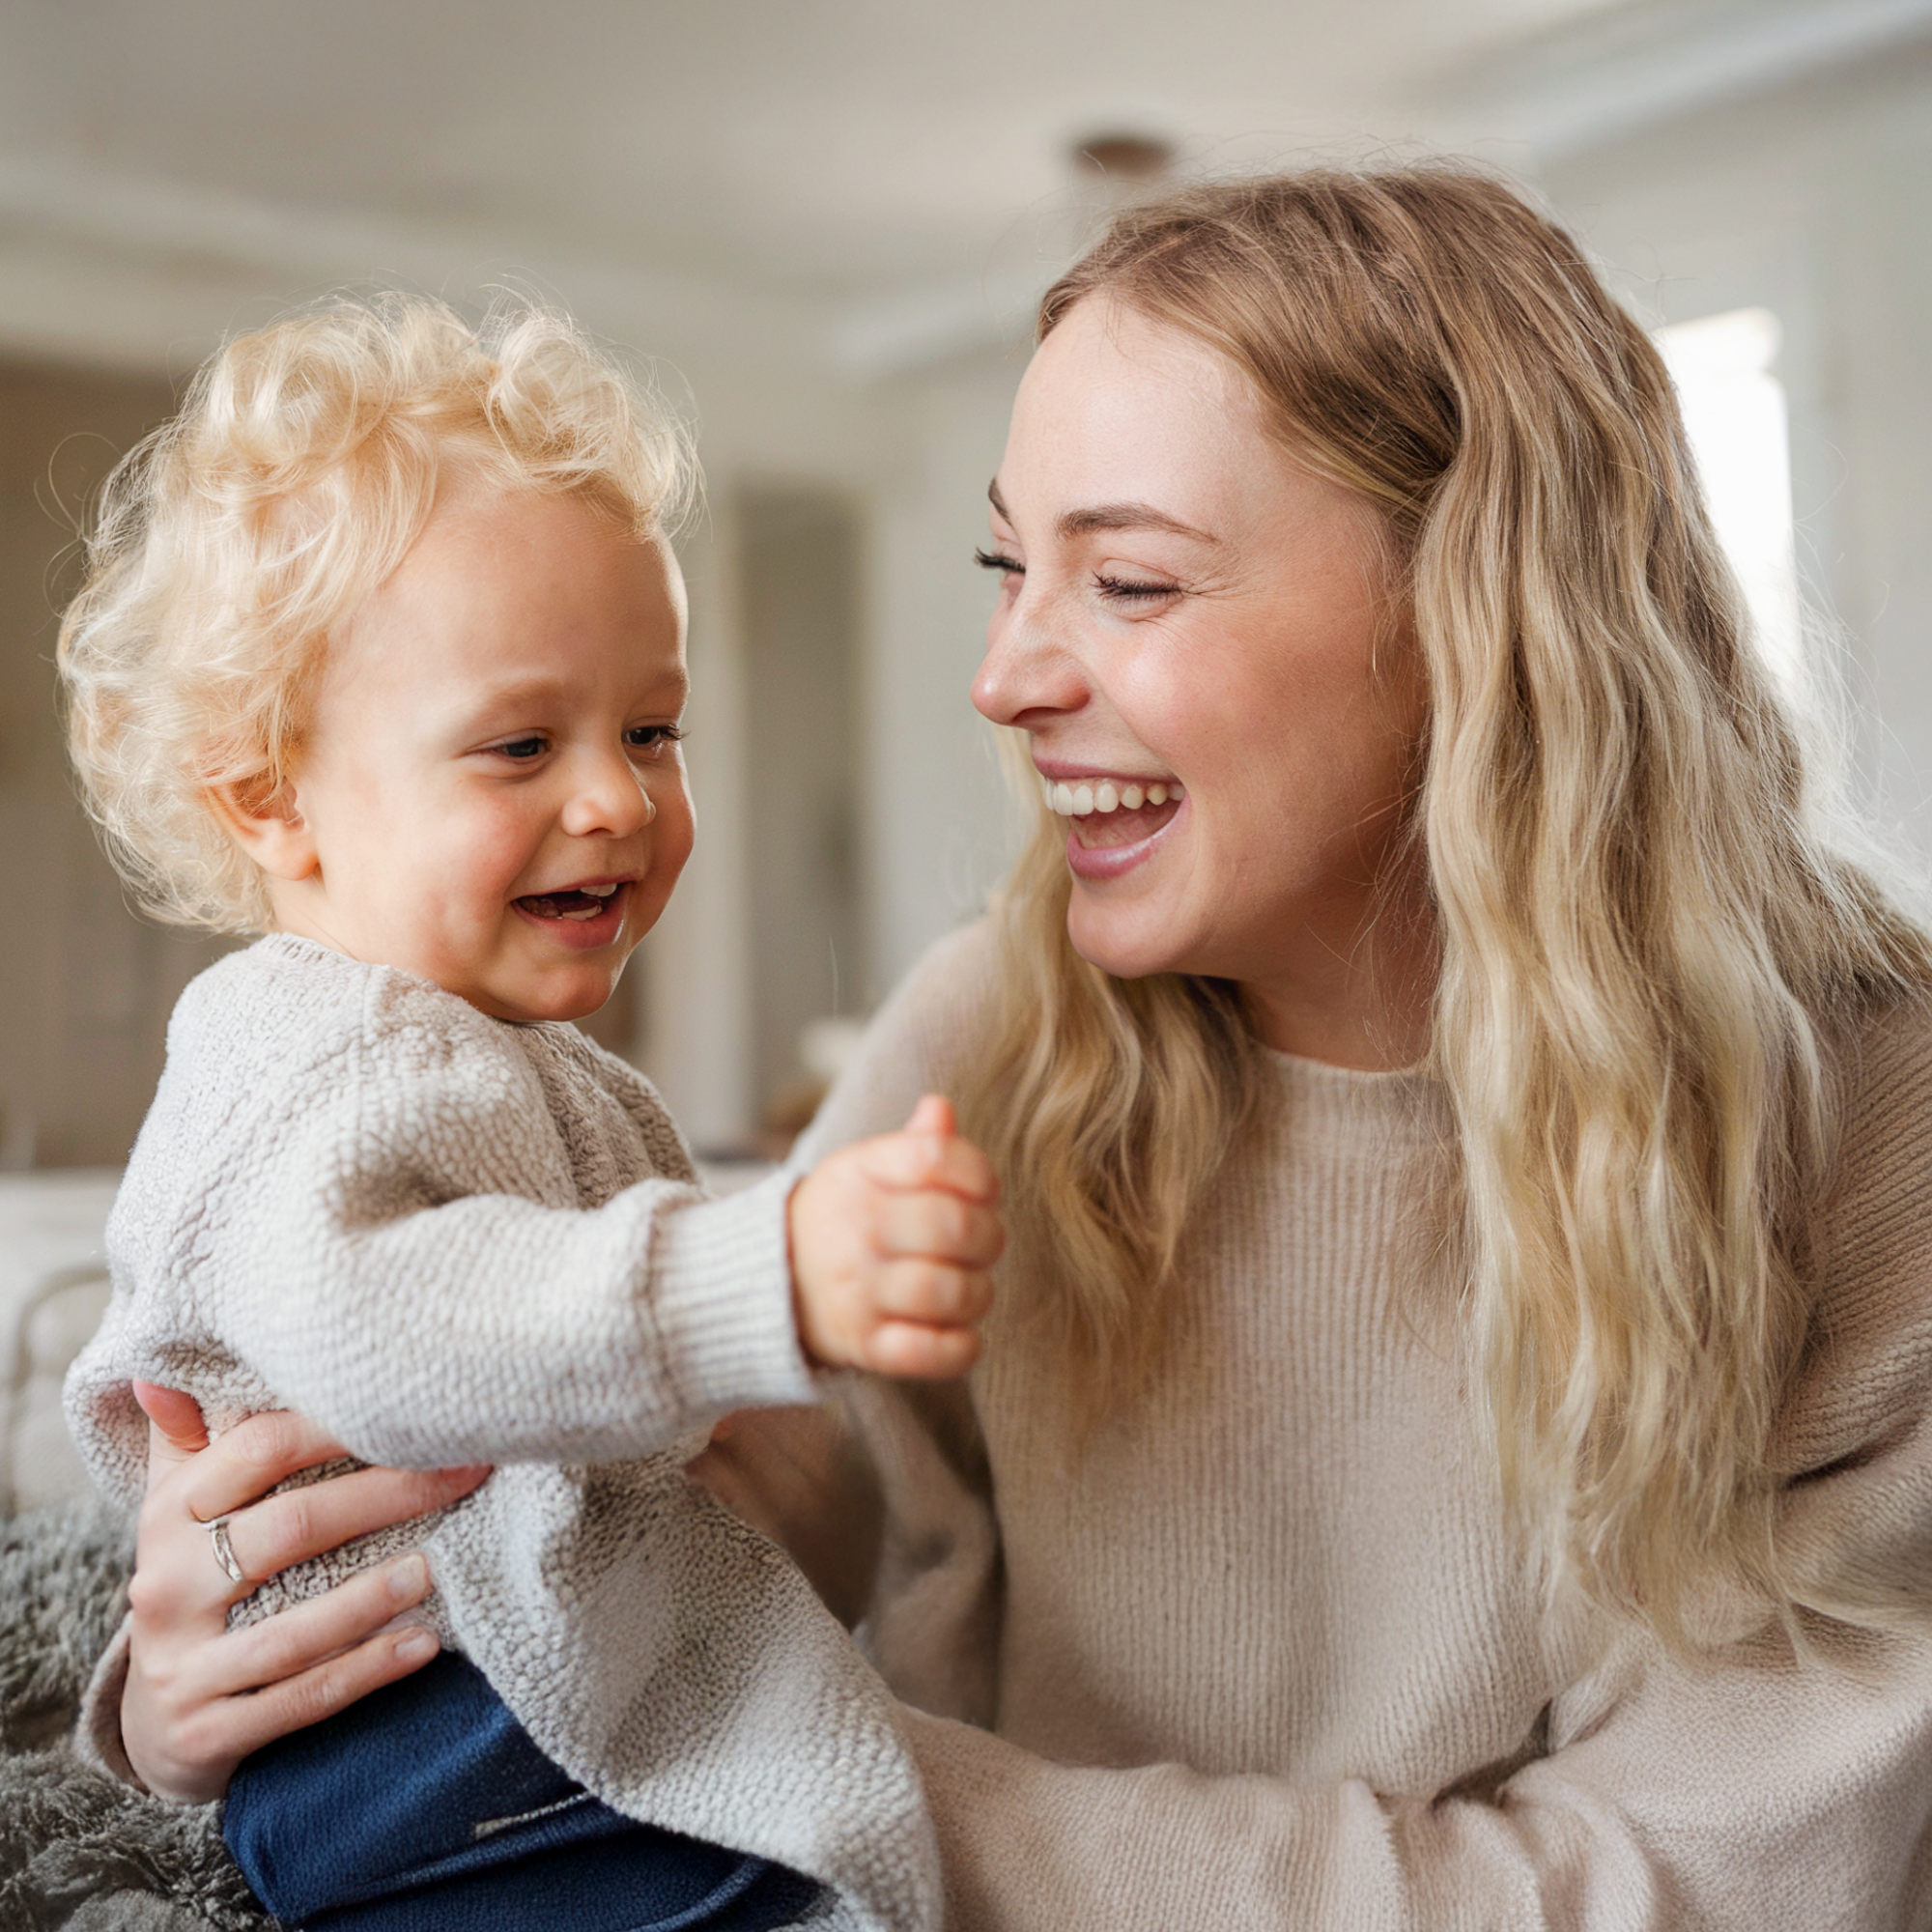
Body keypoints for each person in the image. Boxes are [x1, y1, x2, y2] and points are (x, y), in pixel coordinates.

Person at [98, 168, 1932, 1928]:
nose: (1004, 676)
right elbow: (727, 1515)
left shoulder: (1865, 1115)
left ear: (1481, 616)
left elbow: (1718, 1888)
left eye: (1127, 583)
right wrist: (247, 1647)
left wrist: (857, 1824)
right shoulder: (1006, 1027)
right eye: (1007, 565)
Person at [56, 295, 1008, 1932]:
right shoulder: (319, 1051)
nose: (617, 798)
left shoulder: (522, 1063)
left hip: (510, 1720)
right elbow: (383, 1328)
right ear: (272, 795)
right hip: (429, 1740)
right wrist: (755, 1277)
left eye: (654, 727)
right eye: (520, 744)